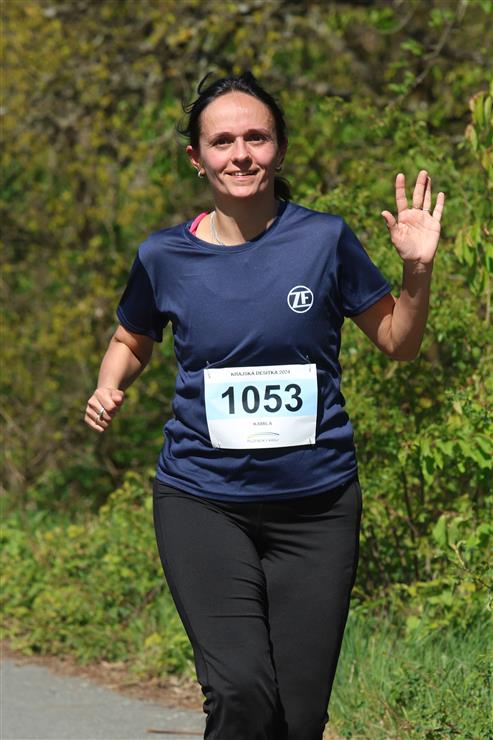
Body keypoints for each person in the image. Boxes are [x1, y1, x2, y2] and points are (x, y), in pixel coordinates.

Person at [84, 71, 444, 740]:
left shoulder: (323, 240)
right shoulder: (164, 255)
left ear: (278, 148)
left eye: (256, 137)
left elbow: (398, 342)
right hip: (202, 499)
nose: (240, 154)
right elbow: (131, 338)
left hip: (316, 506)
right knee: (241, 693)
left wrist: (416, 271)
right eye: (222, 142)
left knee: (298, 719)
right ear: (196, 158)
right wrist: (111, 383)